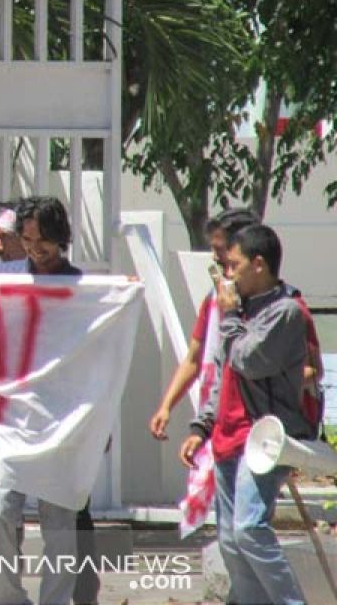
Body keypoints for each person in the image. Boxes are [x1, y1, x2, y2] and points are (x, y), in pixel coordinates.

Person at [179, 224, 315, 605]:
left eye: (233, 265)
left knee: (249, 528)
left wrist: (229, 317)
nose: (227, 273)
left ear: (259, 264)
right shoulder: (237, 313)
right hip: (228, 434)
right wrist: (201, 426)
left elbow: (249, 360)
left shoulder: (284, 312)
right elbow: (223, 376)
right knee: (230, 541)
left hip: (263, 438)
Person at [0, 196, 92, 605]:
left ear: (61, 238)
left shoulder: (84, 289)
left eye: (42, 240)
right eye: (26, 240)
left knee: (60, 524)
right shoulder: (6, 276)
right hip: (8, 419)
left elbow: (100, 361)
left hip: (61, 423)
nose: (34, 249)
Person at [148, 208, 261, 441]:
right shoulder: (213, 299)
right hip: (211, 426)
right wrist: (166, 406)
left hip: (252, 431)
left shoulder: (272, 305)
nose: (214, 257)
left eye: (219, 249)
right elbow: (194, 358)